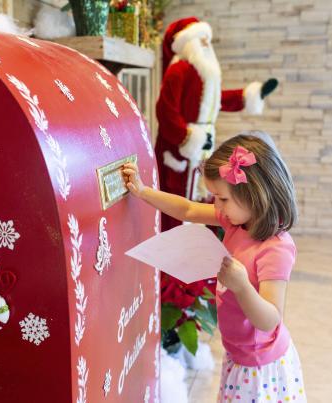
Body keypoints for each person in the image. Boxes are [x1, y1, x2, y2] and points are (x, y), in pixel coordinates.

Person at [123, 131, 306, 402]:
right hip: (238, 355)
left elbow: (270, 319)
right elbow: (187, 210)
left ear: (253, 196)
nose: (215, 205)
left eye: (222, 199)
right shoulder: (236, 220)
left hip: (259, 366)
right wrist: (142, 191)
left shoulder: (275, 249)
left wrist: (242, 286)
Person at [156, 17, 278, 231]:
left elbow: (217, 100)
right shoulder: (179, 70)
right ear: (188, 42)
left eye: (207, 38)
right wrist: (188, 137)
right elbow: (165, 111)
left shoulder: (204, 75)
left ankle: (197, 243)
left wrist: (248, 95)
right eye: (200, 38)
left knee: (200, 193)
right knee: (178, 197)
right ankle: (175, 249)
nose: (206, 43)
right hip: (180, 148)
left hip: (200, 146)